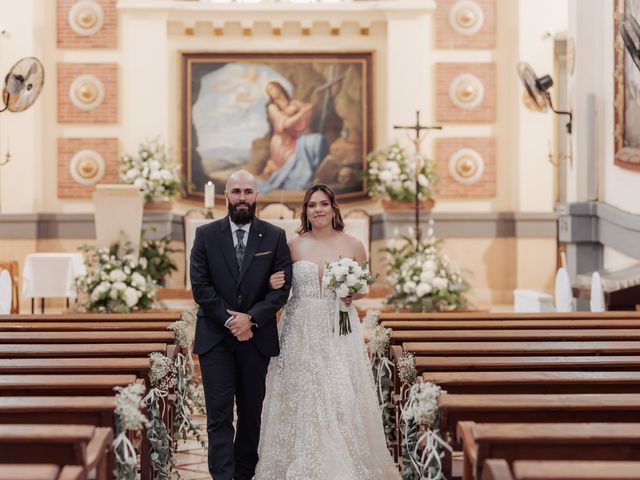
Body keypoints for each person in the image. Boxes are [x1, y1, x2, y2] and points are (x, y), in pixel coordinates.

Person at [254, 184, 401, 480]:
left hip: (339, 326)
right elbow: (280, 285)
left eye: (323, 204)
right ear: (305, 211)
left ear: (334, 208)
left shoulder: (354, 244)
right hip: (300, 326)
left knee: (339, 389)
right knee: (301, 389)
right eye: (311, 205)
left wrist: (352, 295)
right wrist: (271, 283)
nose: (317, 210)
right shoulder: (293, 245)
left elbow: (363, 286)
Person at [190, 169, 293, 480]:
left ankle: (245, 474)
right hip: (215, 338)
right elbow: (200, 286)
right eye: (236, 192)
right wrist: (230, 319)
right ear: (226, 196)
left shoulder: (274, 236)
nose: (242, 198)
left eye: (248, 192)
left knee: (251, 414)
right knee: (219, 416)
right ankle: (222, 476)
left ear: (257, 195)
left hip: (256, 338)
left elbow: (281, 289)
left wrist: (253, 319)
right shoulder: (205, 235)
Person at [257, 81, 329, 194]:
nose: (271, 92)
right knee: (297, 161)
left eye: (272, 88)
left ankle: (312, 174)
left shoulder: (294, 103)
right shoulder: (272, 107)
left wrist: (302, 108)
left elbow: (310, 107)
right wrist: (301, 112)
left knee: (317, 140)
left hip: (297, 139)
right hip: (282, 143)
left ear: (279, 87)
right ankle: (302, 179)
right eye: (268, 91)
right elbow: (286, 124)